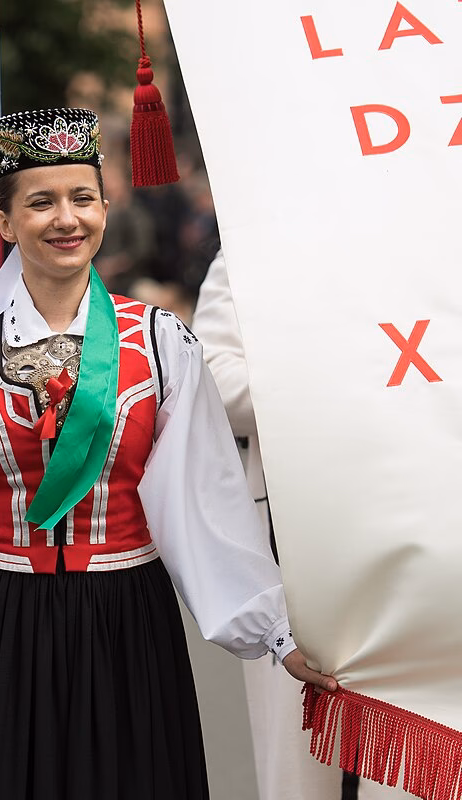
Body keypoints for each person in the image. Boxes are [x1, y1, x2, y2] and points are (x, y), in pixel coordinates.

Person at [0, 108, 337, 800]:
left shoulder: (161, 346)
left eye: (82, 198)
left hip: (125, 627)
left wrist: (279, 633)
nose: (65, 219)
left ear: (107, 208)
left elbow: (207, 505)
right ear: (5, 223)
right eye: (40, 202)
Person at [193, 251, 408, 800]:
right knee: (299, 758)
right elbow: (213, 378)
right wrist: (341, 386)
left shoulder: (423, 229)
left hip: (414, 530)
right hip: (295, 540)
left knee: (414, 753)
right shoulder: (255, 242)